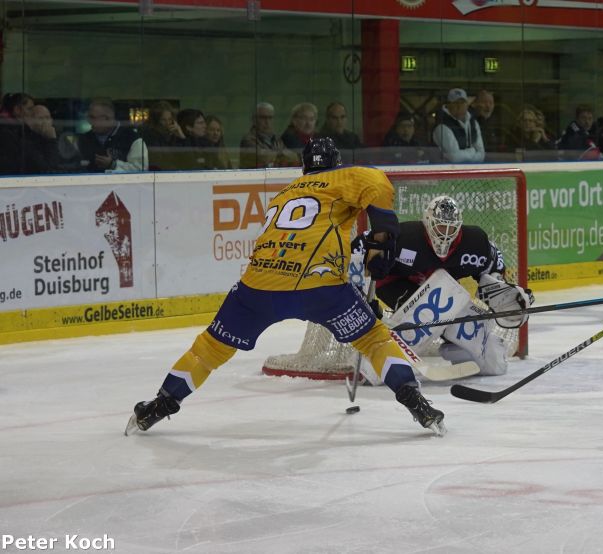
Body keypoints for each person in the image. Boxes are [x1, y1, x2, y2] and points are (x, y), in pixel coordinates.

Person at [126, 137, 446, 436]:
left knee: (209, 349)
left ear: (304, 167)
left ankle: (160, 405)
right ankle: (415, 401)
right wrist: (383, 238)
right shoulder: (347, 177)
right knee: (375, 339)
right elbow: (377, 185)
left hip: (259, 286)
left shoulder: (286, 193)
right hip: (320, 287)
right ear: (336, 162)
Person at [367, 195, 534, 379]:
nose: (445, 233)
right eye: (440, 226)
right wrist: (367, 301)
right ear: (428, 222)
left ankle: (458, 349)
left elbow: (494, 264)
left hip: (443, 293)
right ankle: (381, 359)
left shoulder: (474, 242)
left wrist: (503, 291)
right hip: (395, 283)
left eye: (451, 228)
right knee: (433, 307)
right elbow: (365, 257)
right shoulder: (404, 237)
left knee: (492, 364)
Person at [75, 97, 148, 173]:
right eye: (89, 117)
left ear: (107, 119)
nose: (89, 121)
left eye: (93, 117)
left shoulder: (132, 138)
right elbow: (71, 168)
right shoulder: (83, 139)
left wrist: (113, 165)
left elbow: (141, 171)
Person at [239, 102, 298, 168]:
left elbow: (293, 157)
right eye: (263, 118)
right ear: (254, 119)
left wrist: (276, 155)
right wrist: (280, 154)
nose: (267, 122)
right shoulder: (247, 139)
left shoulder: (276, 139)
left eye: (270, 118)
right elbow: (264, 158)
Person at [432, 88, 484, 163]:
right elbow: (454, 158)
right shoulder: (442, 126)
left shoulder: (473, 123)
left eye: (462, 102)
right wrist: (472, 151)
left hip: (471, 172)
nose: (459, 106)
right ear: (448, 105)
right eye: (455, 103)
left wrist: (464, 154)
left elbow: (481, 155)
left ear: (467, 105)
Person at [140, 101, 186, 170]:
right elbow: (159, 161)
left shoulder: (173, 135)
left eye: (170, 119)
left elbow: (187, 159)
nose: (167, 123)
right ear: (156, 121)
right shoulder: (150, 136)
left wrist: (181, 135)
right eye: (163, 120)